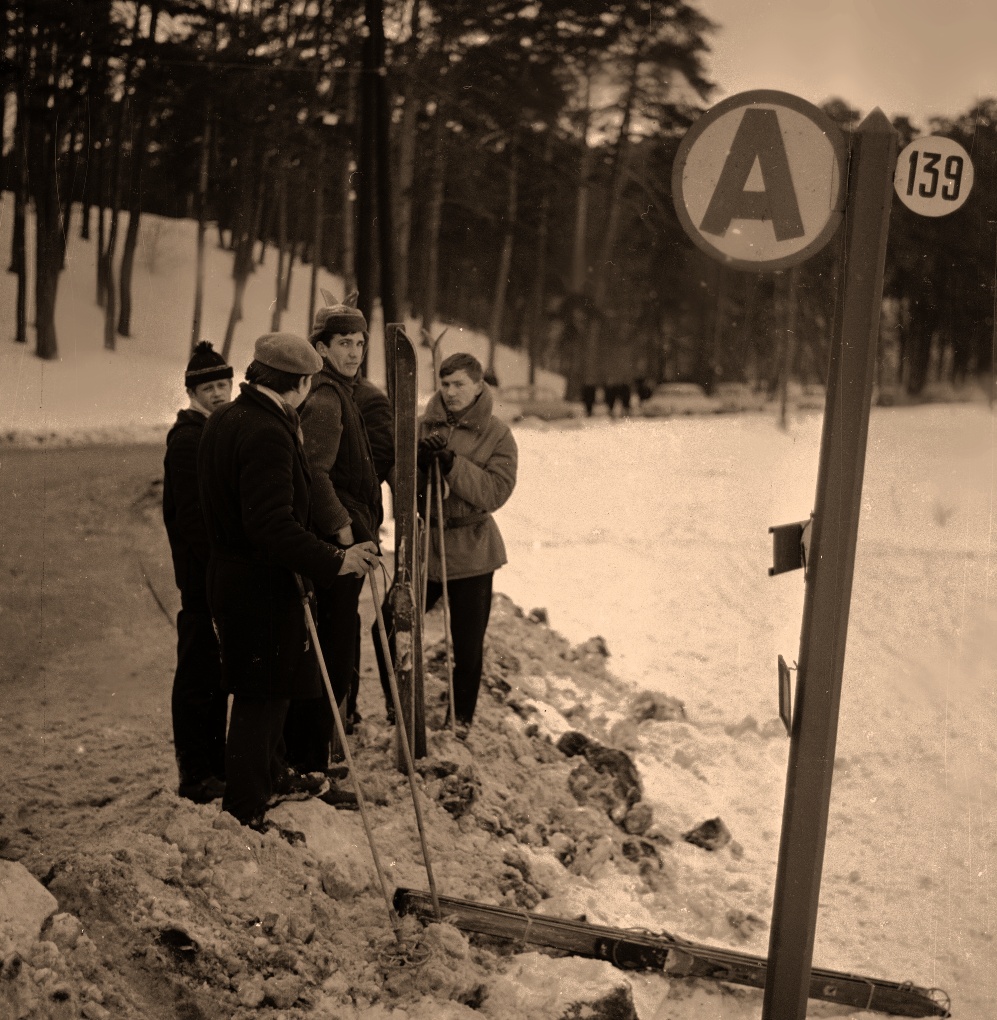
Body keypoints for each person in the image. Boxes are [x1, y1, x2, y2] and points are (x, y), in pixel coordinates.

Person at [197, 332, 379, 829]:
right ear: (300, 382)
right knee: (262, 698)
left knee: (270, 691)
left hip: (236, 578)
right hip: (259, 586)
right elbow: (272, 526)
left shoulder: (226, 418)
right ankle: (245, 814)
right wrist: (335, 559)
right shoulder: (267, 431)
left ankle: (271, 780)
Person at [373, 352, 518, 739]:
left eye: (459, 385)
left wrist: (455, 464)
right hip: (426, 549)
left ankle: (460, 722)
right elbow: (396, 477)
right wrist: (416, 465)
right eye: (445, 384)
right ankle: (398, 707)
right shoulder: (420, 426)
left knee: (468, 647)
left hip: (472, 550)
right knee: (387, 625)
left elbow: (496, 492)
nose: (450, 392)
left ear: (477, 386)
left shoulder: (497, 433)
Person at [282, 295, 384, 776]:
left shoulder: (343, 390)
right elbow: (315, 473)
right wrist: (343, 530)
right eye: (344, 343)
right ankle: (311, 760)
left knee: (338, 652)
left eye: (360, 343)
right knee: (334, 655)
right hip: (339, 548)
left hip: (348, 542)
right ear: (320, 348)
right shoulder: (325, 398)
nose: (354, 352)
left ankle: (315, 754)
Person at [162, 341, 232, 804]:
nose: (219, 393)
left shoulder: (214, 432)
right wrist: (220, 569)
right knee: (197, 675)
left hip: (213, 576)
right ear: (192, 392)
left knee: (213, 673)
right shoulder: (189, 440)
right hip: (202, 578)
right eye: (209, 387)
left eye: (224, 384)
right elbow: (192, 520)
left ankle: (213, 766)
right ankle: (195, 774)